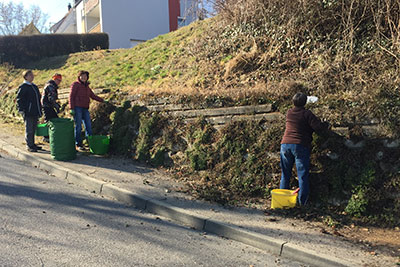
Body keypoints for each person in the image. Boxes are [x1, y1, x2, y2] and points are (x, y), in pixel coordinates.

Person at [280, 92, 329, 206]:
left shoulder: (289, 113)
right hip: (299, 145)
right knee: (302, 175)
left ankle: (283, 202)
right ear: (305, 102)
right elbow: (317, 127)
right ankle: (302, 203)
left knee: (285, 174)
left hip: (285, 144)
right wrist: (326, 124)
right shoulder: (307, 114)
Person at [69, 70, 104, 150]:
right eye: (82, 76)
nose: (84, 77)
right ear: (79, 77)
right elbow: (71, 96)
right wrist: (72, 108)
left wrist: (102, 100)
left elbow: (93, 96)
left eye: (85, 76)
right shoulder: (75, 85)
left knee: (88, 126)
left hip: (85, 108)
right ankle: (78, 144)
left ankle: (90, 143)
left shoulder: (87, 87)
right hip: (77, 108)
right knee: (78, 126)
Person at [16, 70, 43, 152]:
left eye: (32, 75)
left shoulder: (34, 86)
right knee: (29, 129)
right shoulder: (23, 87)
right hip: (28, 111)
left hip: (35, 111)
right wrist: (22, 110)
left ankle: (33, 144)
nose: (32, 76)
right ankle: (29, 145)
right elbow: (19, 99)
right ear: (26, 77)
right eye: (30, 75)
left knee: (34, 128)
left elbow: (38, 99)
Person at [41, 73, 62, 142]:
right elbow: (51, 98)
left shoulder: (51, 85)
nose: (59, 82)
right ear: (54, 79)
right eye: (58, 80)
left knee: (53, 119)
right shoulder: (51, 86)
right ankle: (46, 137)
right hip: (47, 105)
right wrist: (56, 106)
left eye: (60, 80)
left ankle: (50, 135)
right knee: (50, 121)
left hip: (48, 105)